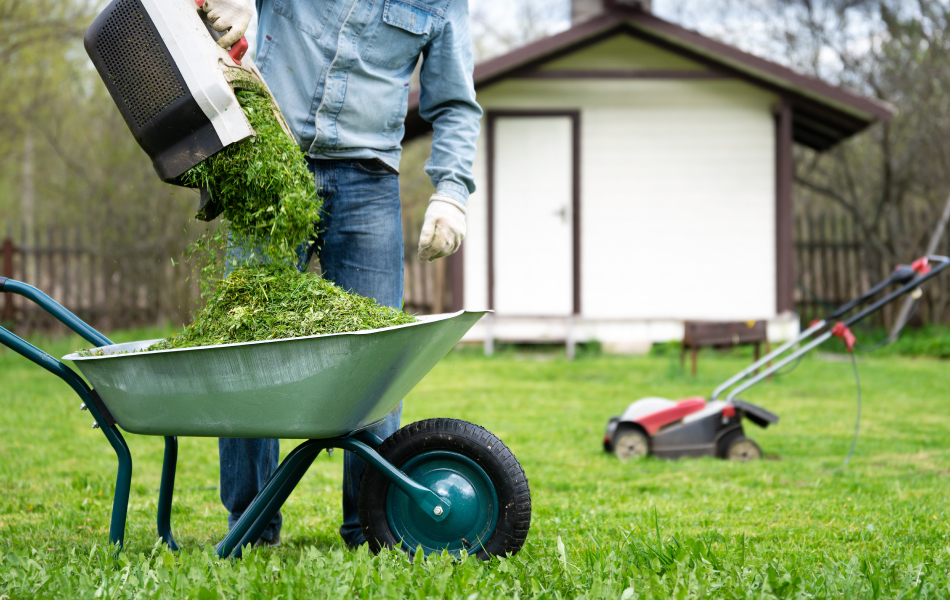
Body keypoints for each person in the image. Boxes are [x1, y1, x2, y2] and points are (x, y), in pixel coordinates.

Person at [202, 0, 481, 547]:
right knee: (245, 348)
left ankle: (371, 526)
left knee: (377, 362)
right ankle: (251, 526)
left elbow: (455, 105)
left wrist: (452, 192)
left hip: (369, 181)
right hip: (269, 160)